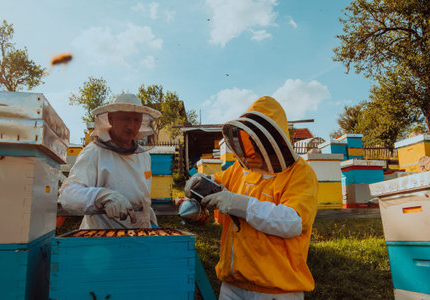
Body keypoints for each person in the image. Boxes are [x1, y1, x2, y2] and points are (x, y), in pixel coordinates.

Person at [185, 96, 318, 300]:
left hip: (276, 291)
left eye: (257, 142)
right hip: (232, 285)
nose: (252, 151)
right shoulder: (241, 168)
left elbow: (292, 221)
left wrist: (238, 204)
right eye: (249, 141)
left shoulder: (300, 173)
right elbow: (216, 183)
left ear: (274, 139)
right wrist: (198, 183)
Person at [59, 93, 161, 229]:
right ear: (111, 118)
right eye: (125, 119)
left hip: (139, 237)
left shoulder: (143, 156)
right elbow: (68, 195)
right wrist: (101, 196)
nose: (131, 126)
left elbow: (142, 200)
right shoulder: (94, 152)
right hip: (102, 241)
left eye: (136, 120)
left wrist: (150, 220)